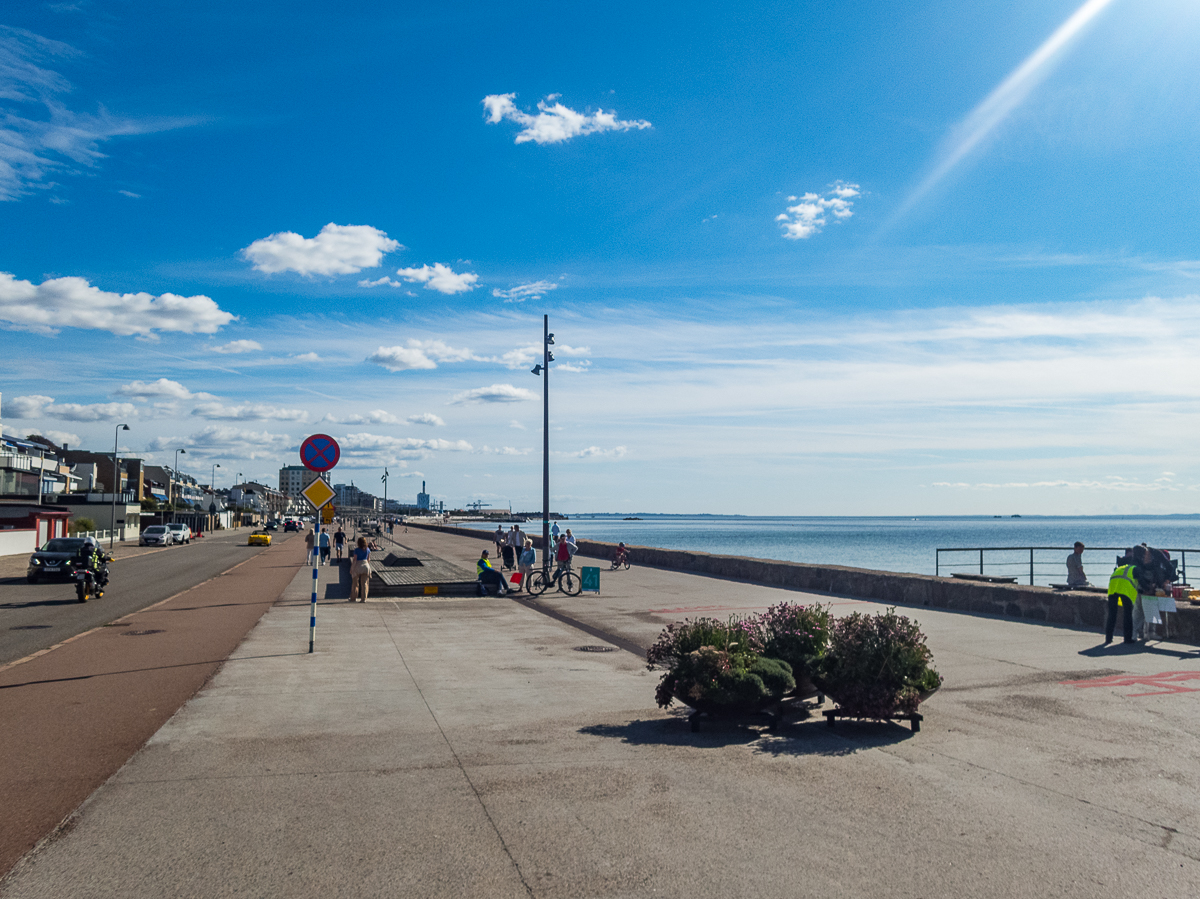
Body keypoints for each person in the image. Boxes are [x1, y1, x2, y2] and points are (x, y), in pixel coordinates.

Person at [1105, 557, 1141, 645]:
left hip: (1113, 588)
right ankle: (1127, 638)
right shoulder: (1135, 569)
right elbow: (1142, 582)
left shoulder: (1120, 568)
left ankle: (1108, 638)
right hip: (1125, 589)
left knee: (1112, 614)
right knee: (1127, 614)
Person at [349, 536, 371, 602]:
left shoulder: (357, 550)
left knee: (355, 583)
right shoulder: (367, 549)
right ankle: (363, 598)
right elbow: (368, 559)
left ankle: (353, 598)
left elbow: (354, 559)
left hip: (358, 566)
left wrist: (352, 568)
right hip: (366, 566)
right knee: (364, 583)